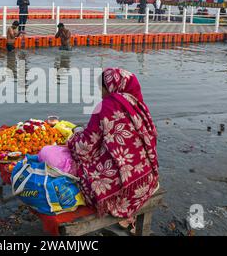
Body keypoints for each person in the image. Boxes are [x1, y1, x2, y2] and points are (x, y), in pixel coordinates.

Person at [67, 68, 159, 231]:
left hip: (125, 193)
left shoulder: (105, 106)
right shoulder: (137, 104)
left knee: (81, 170)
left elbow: (84, 148)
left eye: (101, 88)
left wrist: (73, 138)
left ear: (110, 86)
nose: (101, 92)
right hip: (147, 180)